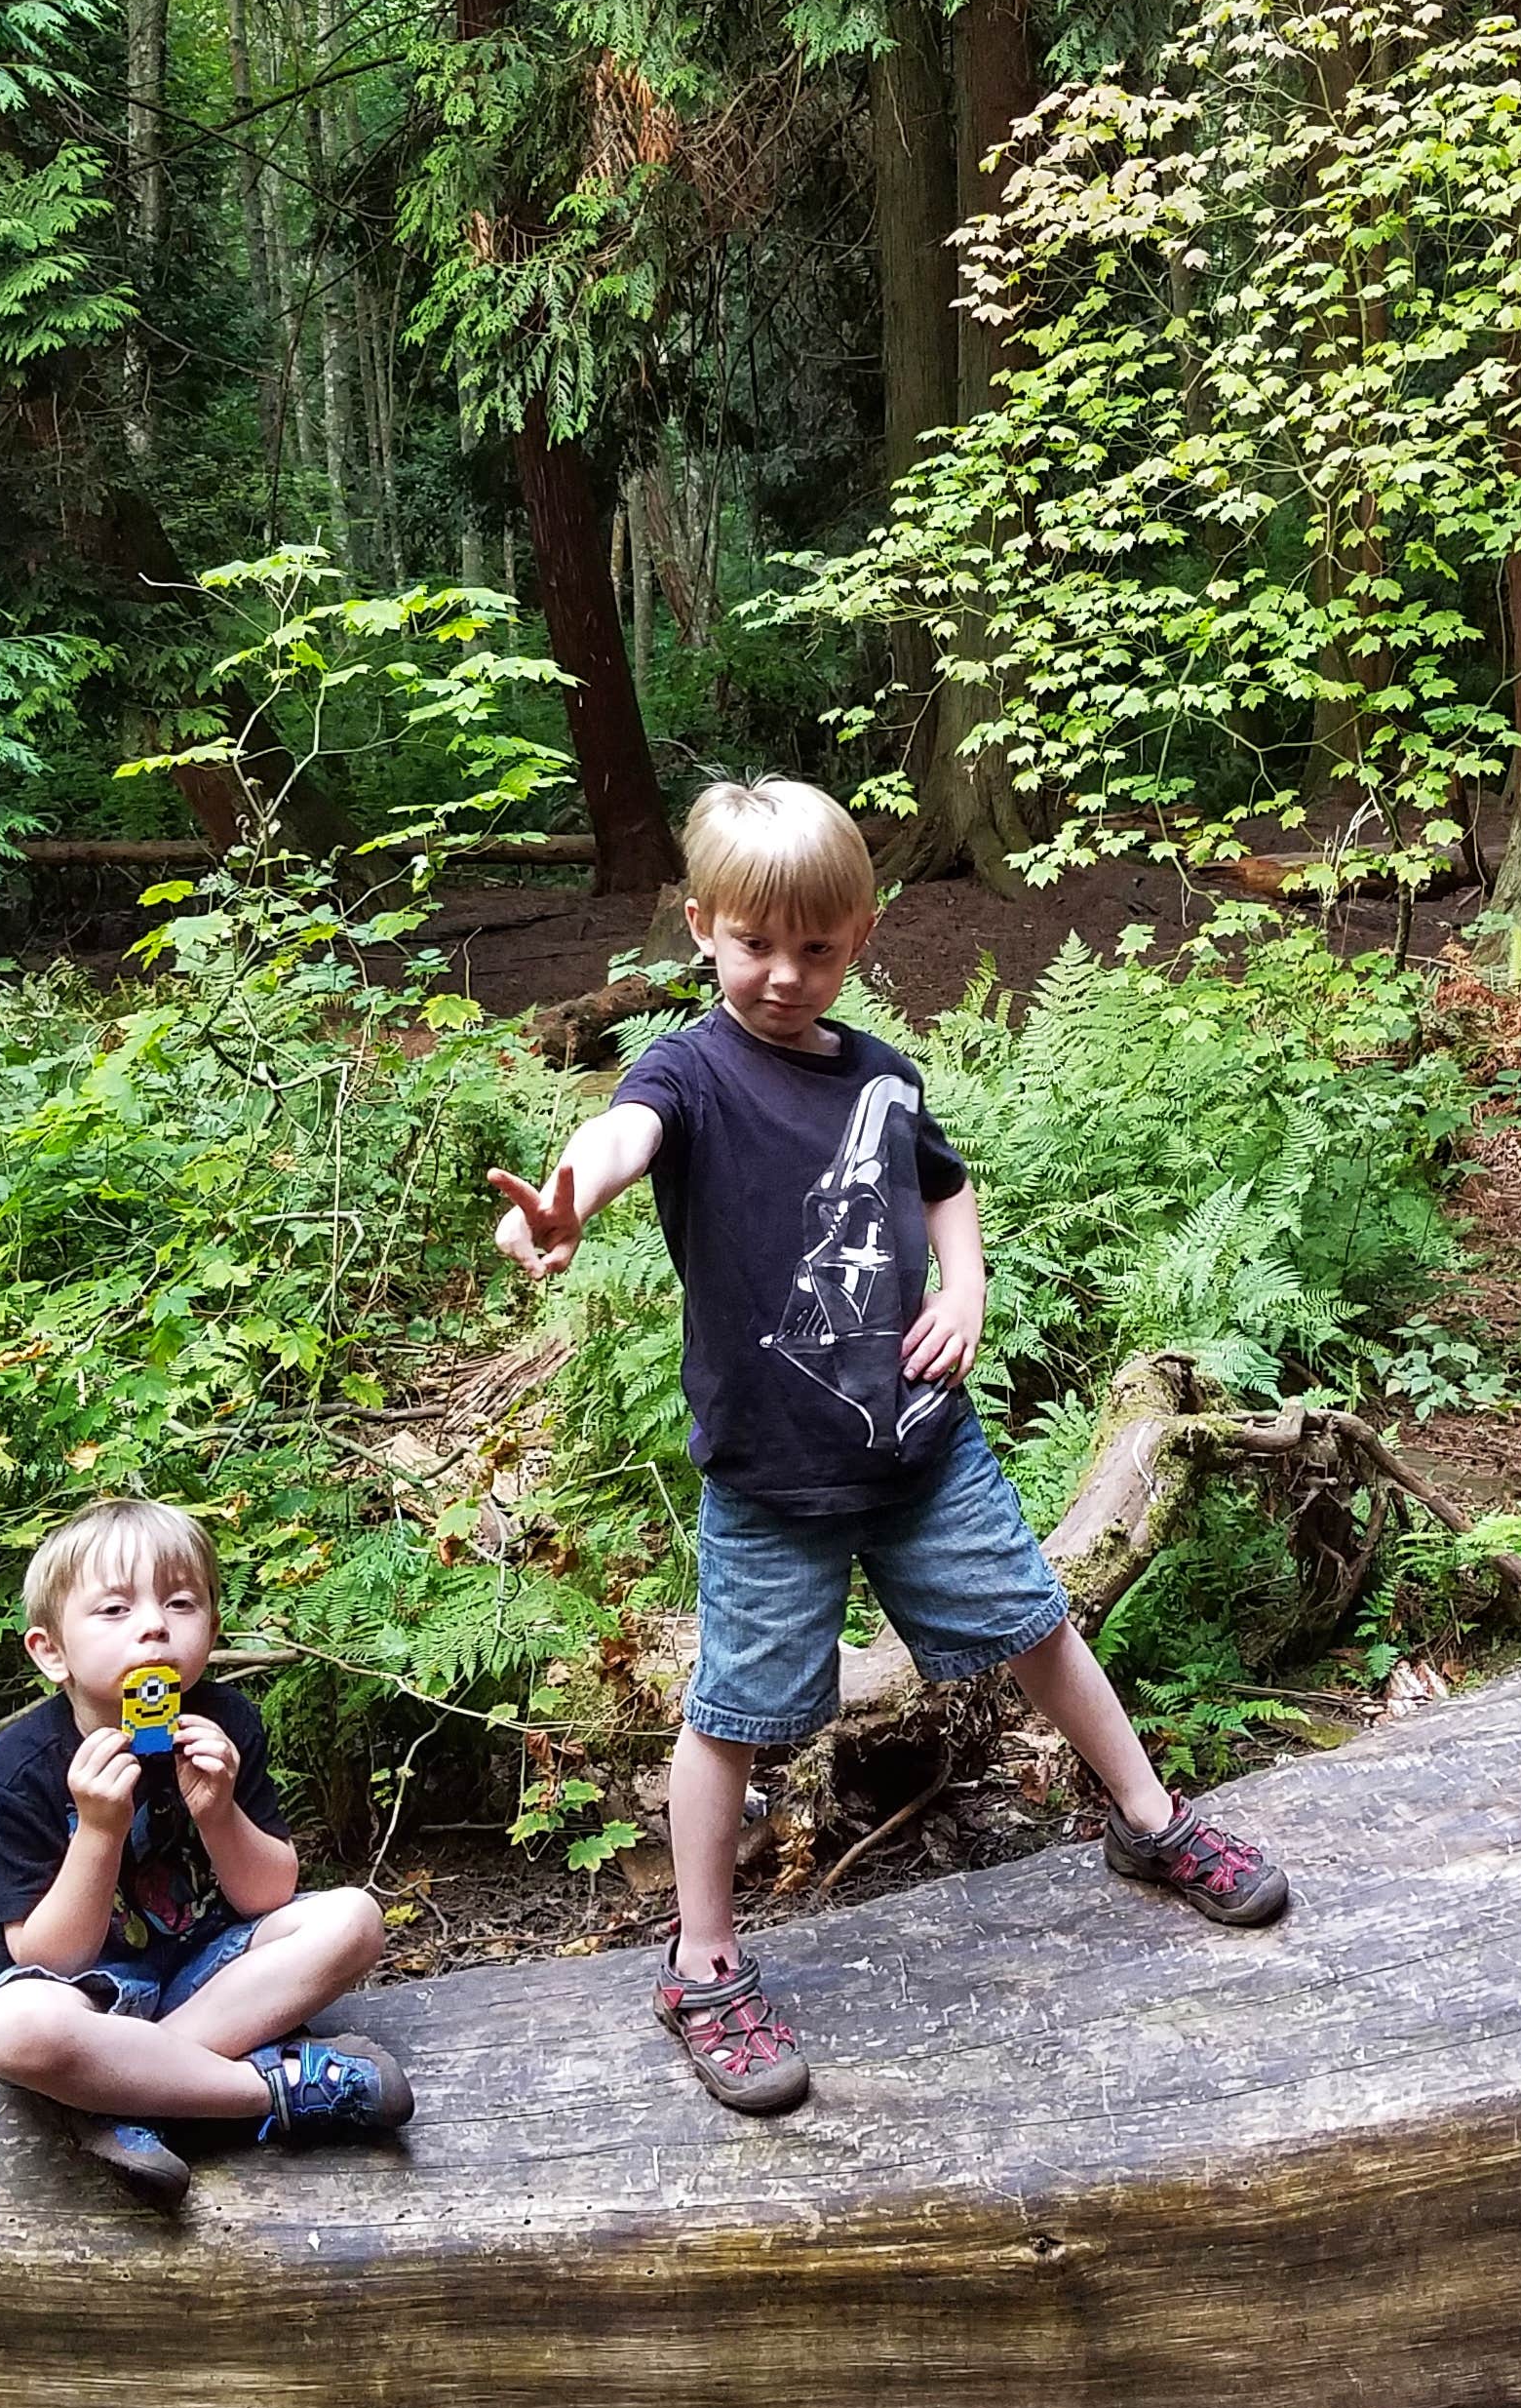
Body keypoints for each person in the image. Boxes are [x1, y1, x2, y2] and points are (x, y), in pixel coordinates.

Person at [489, 777, 1286, 2116]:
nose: (784, 975)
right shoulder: (687, 1070)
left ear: (860, 936)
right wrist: (563, 1207)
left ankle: (1152, 1827)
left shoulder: (880, 1074)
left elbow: (943, 1178)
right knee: (735, 1715)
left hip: (920, 1447)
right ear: (702, 929)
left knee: (1038, 1624)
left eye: (815, 948)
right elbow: (621, 1136)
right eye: (754, 944)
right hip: (772, 1471)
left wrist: (964, 1285)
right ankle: (702, 1962)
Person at [0, 1496, 412, 2203]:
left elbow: (267, 1897)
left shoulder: (226, 1723)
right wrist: (101, 1830)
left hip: (211, 1979)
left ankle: (127, 2098)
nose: (152, 1628)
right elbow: (50, 1961)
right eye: (114, 1611)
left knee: (353, 1916)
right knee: (15, 2029)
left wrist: (219, 1811)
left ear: (211, 1626)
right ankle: (266, 2090)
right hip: (91, 2002)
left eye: (179, 1603)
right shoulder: (16, 1770)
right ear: (52, 1652)